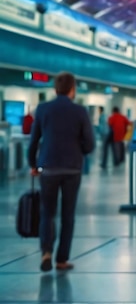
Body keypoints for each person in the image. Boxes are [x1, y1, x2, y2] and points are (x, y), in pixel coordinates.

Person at [27, 72, 95, 272]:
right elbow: (90, 143)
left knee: (47, 213)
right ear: (72, 89)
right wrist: (78, 151)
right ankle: (61, 259)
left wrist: (33, 165)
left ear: (55, 89)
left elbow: (34, 141)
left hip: (48, 168)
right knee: (68, 215)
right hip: (72, 169)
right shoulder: (80, 111)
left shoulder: (43, 109)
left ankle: (46, 251)